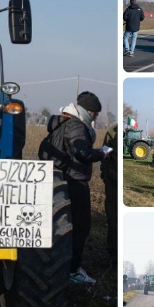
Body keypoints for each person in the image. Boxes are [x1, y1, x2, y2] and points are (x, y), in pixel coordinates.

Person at [45, 91, 108, 284]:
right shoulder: (76, 126)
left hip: (58, 180)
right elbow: (81, 153)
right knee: (81, 227)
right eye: (95, 114)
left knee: (60, 227)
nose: (95, 118)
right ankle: (72, 270)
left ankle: (57, 266)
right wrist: (102, 154)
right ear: (89, 111)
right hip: (74, 181)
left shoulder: (61, 123)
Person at [100, 123, 118, 268]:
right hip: (113, 181)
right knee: (113, 220)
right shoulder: (112, 131)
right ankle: (113, 256)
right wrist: (106, 175)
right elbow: (105, 153)